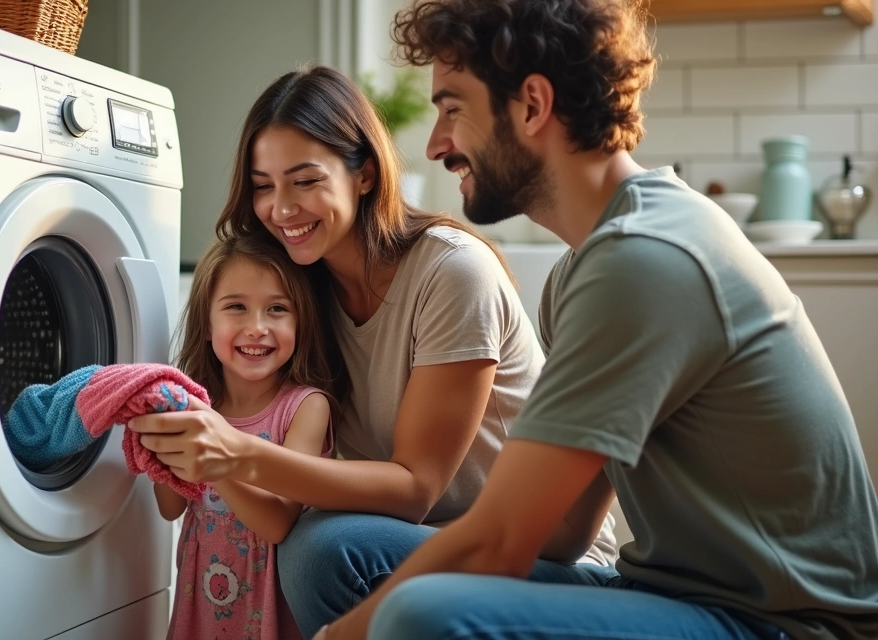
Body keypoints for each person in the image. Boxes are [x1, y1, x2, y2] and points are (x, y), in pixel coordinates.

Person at [309, 1, 878, 639]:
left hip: (784, 625)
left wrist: (339, 635)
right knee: (337, 553)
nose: (436, 145)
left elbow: (500, 546)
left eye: (453, 108)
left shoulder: (646, 257)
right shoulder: (582, 270)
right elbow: (564, 533)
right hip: (666, 593)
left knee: (418, 614)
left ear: (533, 105)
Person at [127, 65, 618, 638]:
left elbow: (414, 491)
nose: (281, 207)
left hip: (537, 562)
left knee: (321, 549)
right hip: (412, 552)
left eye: (305, 180)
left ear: (363, 174)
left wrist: (234, 454)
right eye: (263, 185)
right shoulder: (300, 293)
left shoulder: (452, 272)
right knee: (315, 541)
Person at [153, 234, 333, 640]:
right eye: (236, 307)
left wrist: (214, 459)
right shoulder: (198, 405)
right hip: (201, 598)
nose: (257, 327)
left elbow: (276, 523)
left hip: (268, 603)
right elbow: (170, 507)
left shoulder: (305, 407)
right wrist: (161, 429)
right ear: (206, 324)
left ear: (300, 322)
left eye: (277, 309)